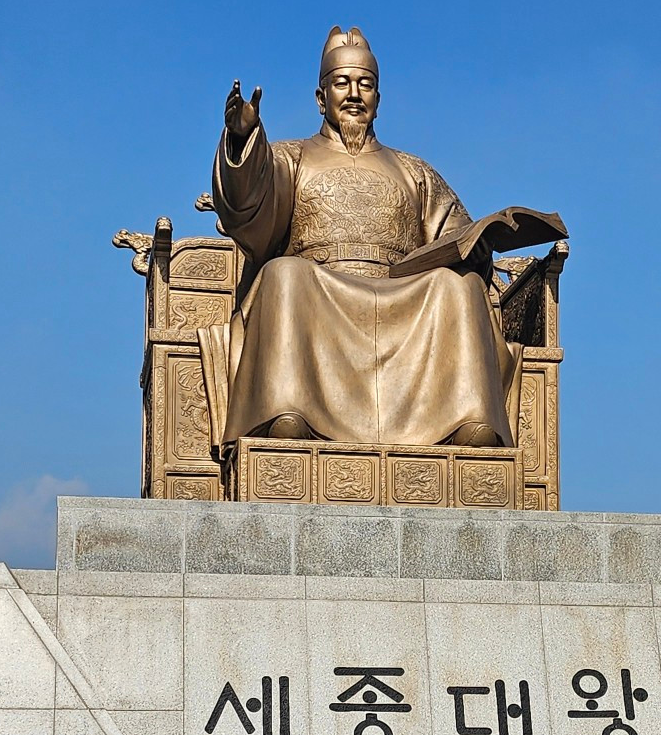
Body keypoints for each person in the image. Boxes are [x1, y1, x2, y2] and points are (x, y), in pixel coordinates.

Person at [208, 27, 539, 452]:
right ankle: (287, 409)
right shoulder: (291, 157)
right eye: (342, 83)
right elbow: (247, 205)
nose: (353, 94)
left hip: (403, 294)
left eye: (365, 85)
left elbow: (454, 231)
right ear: (320, 97)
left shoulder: (413, 171)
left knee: (457, 288)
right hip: (320, 291)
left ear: (378, 101)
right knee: (284, 274)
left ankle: (466, 419)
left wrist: (476, 247)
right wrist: (243, 140)